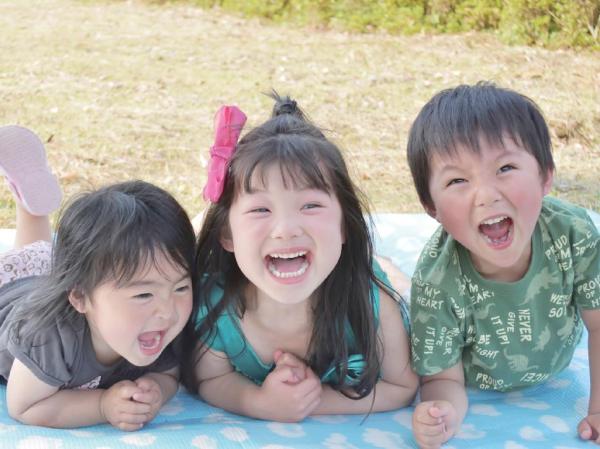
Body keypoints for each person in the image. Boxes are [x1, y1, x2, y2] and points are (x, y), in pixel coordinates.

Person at [181, 95, 418, 422]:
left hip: (352, 269)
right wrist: (258, 402)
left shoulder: (373, 303)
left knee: (392, 276)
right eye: (260, 209)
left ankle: (381, 260)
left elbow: (401, 386)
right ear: (227, 234)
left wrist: (312, 401)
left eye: (310, 206)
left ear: (345, 225)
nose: (286, 230)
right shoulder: (216, 310)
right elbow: (211, 378)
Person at [406, 82, 600, 448]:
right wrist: (442, 413)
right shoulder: (436, 282)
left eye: (505, 167)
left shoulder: (573, 234)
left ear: (545, 175)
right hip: (478, 381)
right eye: (457, 180)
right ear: (431, 208)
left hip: (557, 362)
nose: (486, 195)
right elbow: (443, 379)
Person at [0, 125, 196, 430]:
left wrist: (156, 389)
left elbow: (168, 373)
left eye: (181, 287)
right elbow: (25, 405)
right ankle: (31, 207)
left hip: (51, 273)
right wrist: (102, 405)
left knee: (43, 257)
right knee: (33, 260)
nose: (168, 311)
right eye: (144, 294)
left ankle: (32, 204)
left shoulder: (159, 325)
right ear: (79, 298)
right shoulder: (48, 337)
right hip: (9, 290)